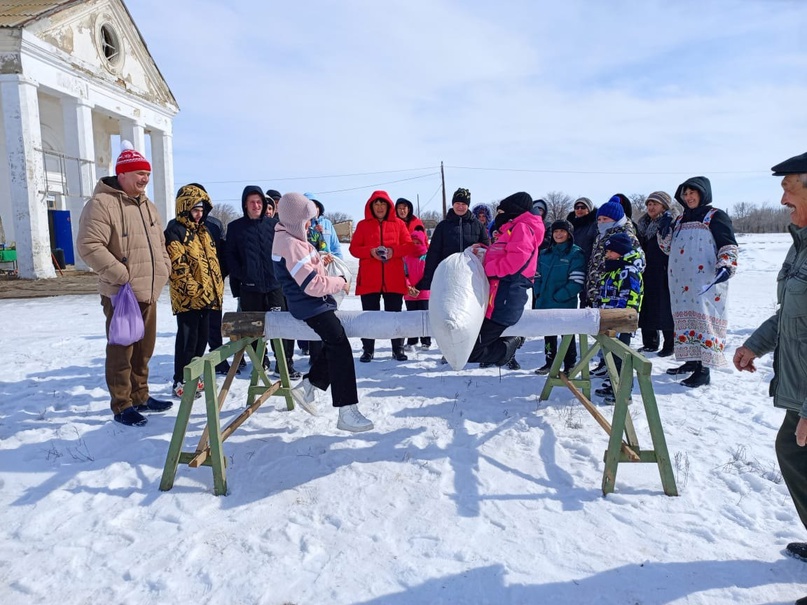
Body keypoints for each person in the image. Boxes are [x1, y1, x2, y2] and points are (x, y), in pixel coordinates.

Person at [733, 152, 807, 581]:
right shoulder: (801, 244)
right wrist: (755, 344)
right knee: (792, 450)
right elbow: (789, 312)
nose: (782, 199)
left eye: (788, 188)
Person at [76, 141, 172, 427]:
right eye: (139, 173)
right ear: (122, 174)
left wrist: (164, 268)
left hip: (149, 290)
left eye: (148, 175)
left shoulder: (148, 206)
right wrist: (121, 275)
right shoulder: (102, 204)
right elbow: (89, 245)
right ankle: (122, 404)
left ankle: (141, 396)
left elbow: (161, 244)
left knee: (144, 349)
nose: (145, 179)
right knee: (122, 350)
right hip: (122, 293)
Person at [272, 192, 373, 432]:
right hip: (310, 305)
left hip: (312, 303)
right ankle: (346, 410)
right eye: (307, 220)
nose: (310, 224)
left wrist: (319, 260)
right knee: (340, 346)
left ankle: (309, 388)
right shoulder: (290, 243)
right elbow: (312, 285)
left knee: (334, 343)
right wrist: (339, 282)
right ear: (296, 220)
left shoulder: (289, 237)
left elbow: (304, 268)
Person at [658, 176, 738, 387]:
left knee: (705, 321)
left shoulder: (715, 216)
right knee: (685, 320)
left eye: (692, 192)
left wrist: (727, 265)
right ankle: (692, 361)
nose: (688, 197)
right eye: (685, 193)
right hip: (680, 282)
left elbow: (728, 244)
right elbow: (666, 248)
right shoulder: (679, 220)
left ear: (703, 193)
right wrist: (663, 230)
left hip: (705, 281)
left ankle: (704, 370)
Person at [226, 186, 301, 379]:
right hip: (250, 289)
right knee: (254, 330)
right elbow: (230, 257)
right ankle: (261, 362)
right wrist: (243, 275)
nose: (256, 205)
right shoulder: (235, 228)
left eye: (259, 202)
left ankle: (285, 364)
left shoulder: (274, 225)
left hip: (275, 287)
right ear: (245, 204)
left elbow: (286, 250)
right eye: (252, 202)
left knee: (282, 327)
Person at [468, 192, 543, 367]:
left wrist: (486, 269)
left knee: (471, 350)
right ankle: (506, 347)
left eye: (501, 211)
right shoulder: (512, 230)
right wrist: (483, 252)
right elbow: (502, 255)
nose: (498, 215)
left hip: (506, 298)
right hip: (497, 297)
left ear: (513, 211)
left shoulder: (522, 228)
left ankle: (509, 348)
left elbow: (515, 263)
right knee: (470, 346)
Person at [164, 184, 225, 398]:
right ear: (185, 208)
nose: (199, 215)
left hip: (207, 297)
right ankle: (180, 380)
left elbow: (213, 263)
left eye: (202, 210)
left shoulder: (205, 232)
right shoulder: (175, 231)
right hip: (188, 299)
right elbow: (178, 267)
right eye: (195, 210)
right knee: (187, 341)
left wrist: (215, 288)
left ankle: (195, 375)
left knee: (202, 339)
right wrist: (195, 290)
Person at [349, 190, 415, 362]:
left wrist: (394, 251)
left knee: (395, 316)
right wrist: (370, 252)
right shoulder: (363, 225)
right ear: (371, 206)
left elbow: (408, 246)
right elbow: (353, 249)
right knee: (369, 317)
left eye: (382, 204)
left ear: (388, 206)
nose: (379, 207)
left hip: (393, 278)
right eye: (376, 204)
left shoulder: (399, 224)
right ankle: (368, 350)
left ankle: (398, 349)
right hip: (370, 279)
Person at [586, 198, 644, 376]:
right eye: (599, 219)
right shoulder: (601, 235)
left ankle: (618, 375)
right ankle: (607, 364)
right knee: (604, 333)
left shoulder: (626, 236)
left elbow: (638, 262)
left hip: (618, 297)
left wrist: (618, 271)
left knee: (618, 340)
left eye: (606, 219)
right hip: (602, 291)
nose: (601, 222)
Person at [593, 232, 644, 404]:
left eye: (610, 252)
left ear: (620, 252)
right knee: (610, 356)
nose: (607, 255)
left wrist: (621, 317)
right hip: (608, 321)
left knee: (621, 357)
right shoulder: (613, 270)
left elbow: (631, 297)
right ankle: (612, 383)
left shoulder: (628, 271)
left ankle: (624, 392)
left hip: (622, 323)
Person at [532, 219, 586, 375]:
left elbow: (577, 281)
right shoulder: (545, 253)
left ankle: (570, 363)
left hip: (564, 303)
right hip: (545, 301)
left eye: (562, 231)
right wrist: (539, 293)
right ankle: (550, 362)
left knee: (567, 333)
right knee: (549, 333)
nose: (559, 234)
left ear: (569, 234)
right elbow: (537, 276)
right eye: (556, 231)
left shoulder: (576, 253)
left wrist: (561, 296)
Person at [636, 191, 675, 357]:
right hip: (646, 269)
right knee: (647, 305)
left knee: (665, 307)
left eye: (655, 204)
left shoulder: (670, 222)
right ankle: (650, 342)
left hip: (664, 269)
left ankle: (669, 344)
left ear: (664, 206)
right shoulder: (643, 223)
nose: (651, 207)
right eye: (649, 204)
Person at [566, 197, 598, 307]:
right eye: (577, 207)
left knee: (586, 297)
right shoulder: (570, 225)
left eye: (583, 207)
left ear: (589, 209)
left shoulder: (594, 224)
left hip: (588, 264)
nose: (579, 210)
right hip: (572, 264)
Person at [403, 226, 431, 350]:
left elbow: (428, 274)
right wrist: (408, 286)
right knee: (411, 318)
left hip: (424, 292)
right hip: (410, 293)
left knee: (425, 316)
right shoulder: (405, 257)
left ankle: (426, 341)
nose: (415, 245)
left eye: (418, 242)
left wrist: (419, 287)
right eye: (413, 242)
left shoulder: (427, 256)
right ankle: (412, 341)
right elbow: (403, 273)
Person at [306, 193, 343, 258]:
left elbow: (335, 246)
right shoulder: (298, 225)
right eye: (309, 207)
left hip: (326, 262)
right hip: (306, 263)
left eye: (316, 206)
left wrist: (340, 261)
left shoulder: (327, 223)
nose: (314, 209)